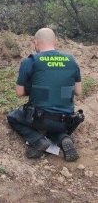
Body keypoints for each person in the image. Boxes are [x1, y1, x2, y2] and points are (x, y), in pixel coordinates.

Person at [7, 28, 82, 161]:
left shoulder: (30, 61)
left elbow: (19, 93)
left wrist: (34, 89)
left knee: (12, 117)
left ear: (35, 42)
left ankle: (38, 141)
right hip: (65, 121)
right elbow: (78, 91)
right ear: (56, 41)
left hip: (39, 118)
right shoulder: (71, 61)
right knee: (54, 125)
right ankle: (63, 138)